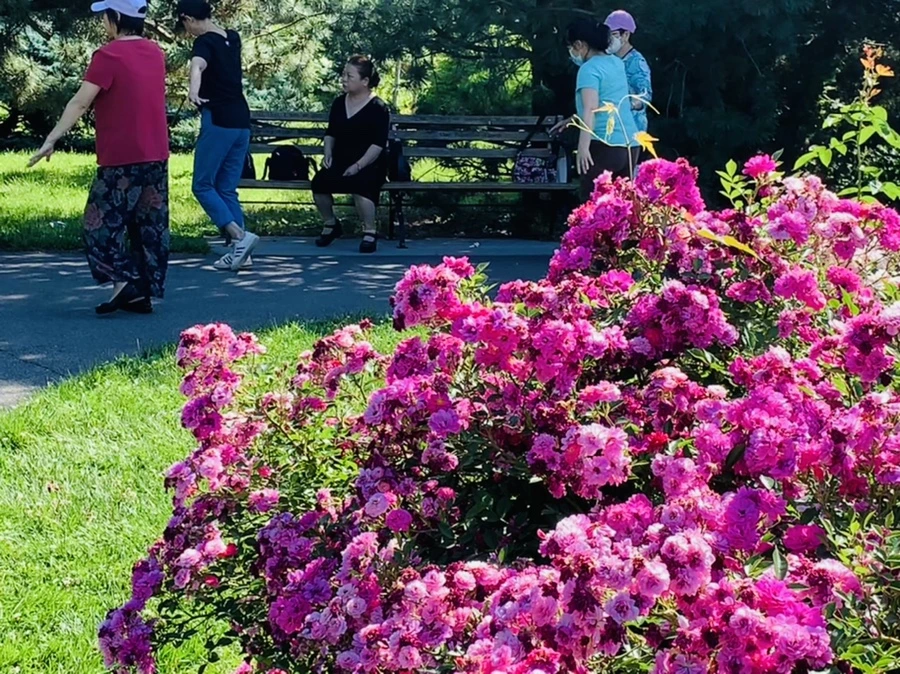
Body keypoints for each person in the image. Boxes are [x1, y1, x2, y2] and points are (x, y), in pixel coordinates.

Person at [28, 0, 169, 316]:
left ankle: (125, 284)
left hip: (121, 156)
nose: (103, 22)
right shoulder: (155, 52)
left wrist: (52, 138)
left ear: (116, 17)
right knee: (148, 226)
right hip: (156, 153)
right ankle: (141, 292)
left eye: (105, 16)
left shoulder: (108, 55)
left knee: (99, 226)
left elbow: (80, 103)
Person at [177, 0, 259, 272]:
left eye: (184, 24)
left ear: (189, 18)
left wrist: (193, 90)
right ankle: (242, 255)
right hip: (241, 121)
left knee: (202, 185)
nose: (186, 30)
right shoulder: (232, 38)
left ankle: (239, 237)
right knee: (226, 188)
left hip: (219, 120)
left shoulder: (204, 42)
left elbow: (197, 66)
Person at [552, 20, 640, 201]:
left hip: (603, 145)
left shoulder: (588, 69)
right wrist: (573, 119)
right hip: (630, 144)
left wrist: (583, 148)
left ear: (579, 44)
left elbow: (591, 108)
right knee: (623, 207)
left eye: (571, 46)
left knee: (592, 207)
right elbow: (610, 100)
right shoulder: (616, 63)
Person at [312, 55, 390, 254]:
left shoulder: (378, 107)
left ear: (365, 81)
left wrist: (358, 165)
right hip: (341, 159)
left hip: (369, 162)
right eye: (343, 74)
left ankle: (370, 231)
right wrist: (327, 153)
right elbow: (330, 133)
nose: (344, 79)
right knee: (319, 182)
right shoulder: (339, 103)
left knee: (361, 183)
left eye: (350, 76)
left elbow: (378, 144)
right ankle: (331, 224)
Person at [605, 10, 653, 134]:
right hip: (611, 129)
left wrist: (626, 105)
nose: (609, 39)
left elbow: (645, 95)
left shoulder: (637, 62)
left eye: (613, 34)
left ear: (626, 35)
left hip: (632, 130)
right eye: (607, 35)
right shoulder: (609, 60)